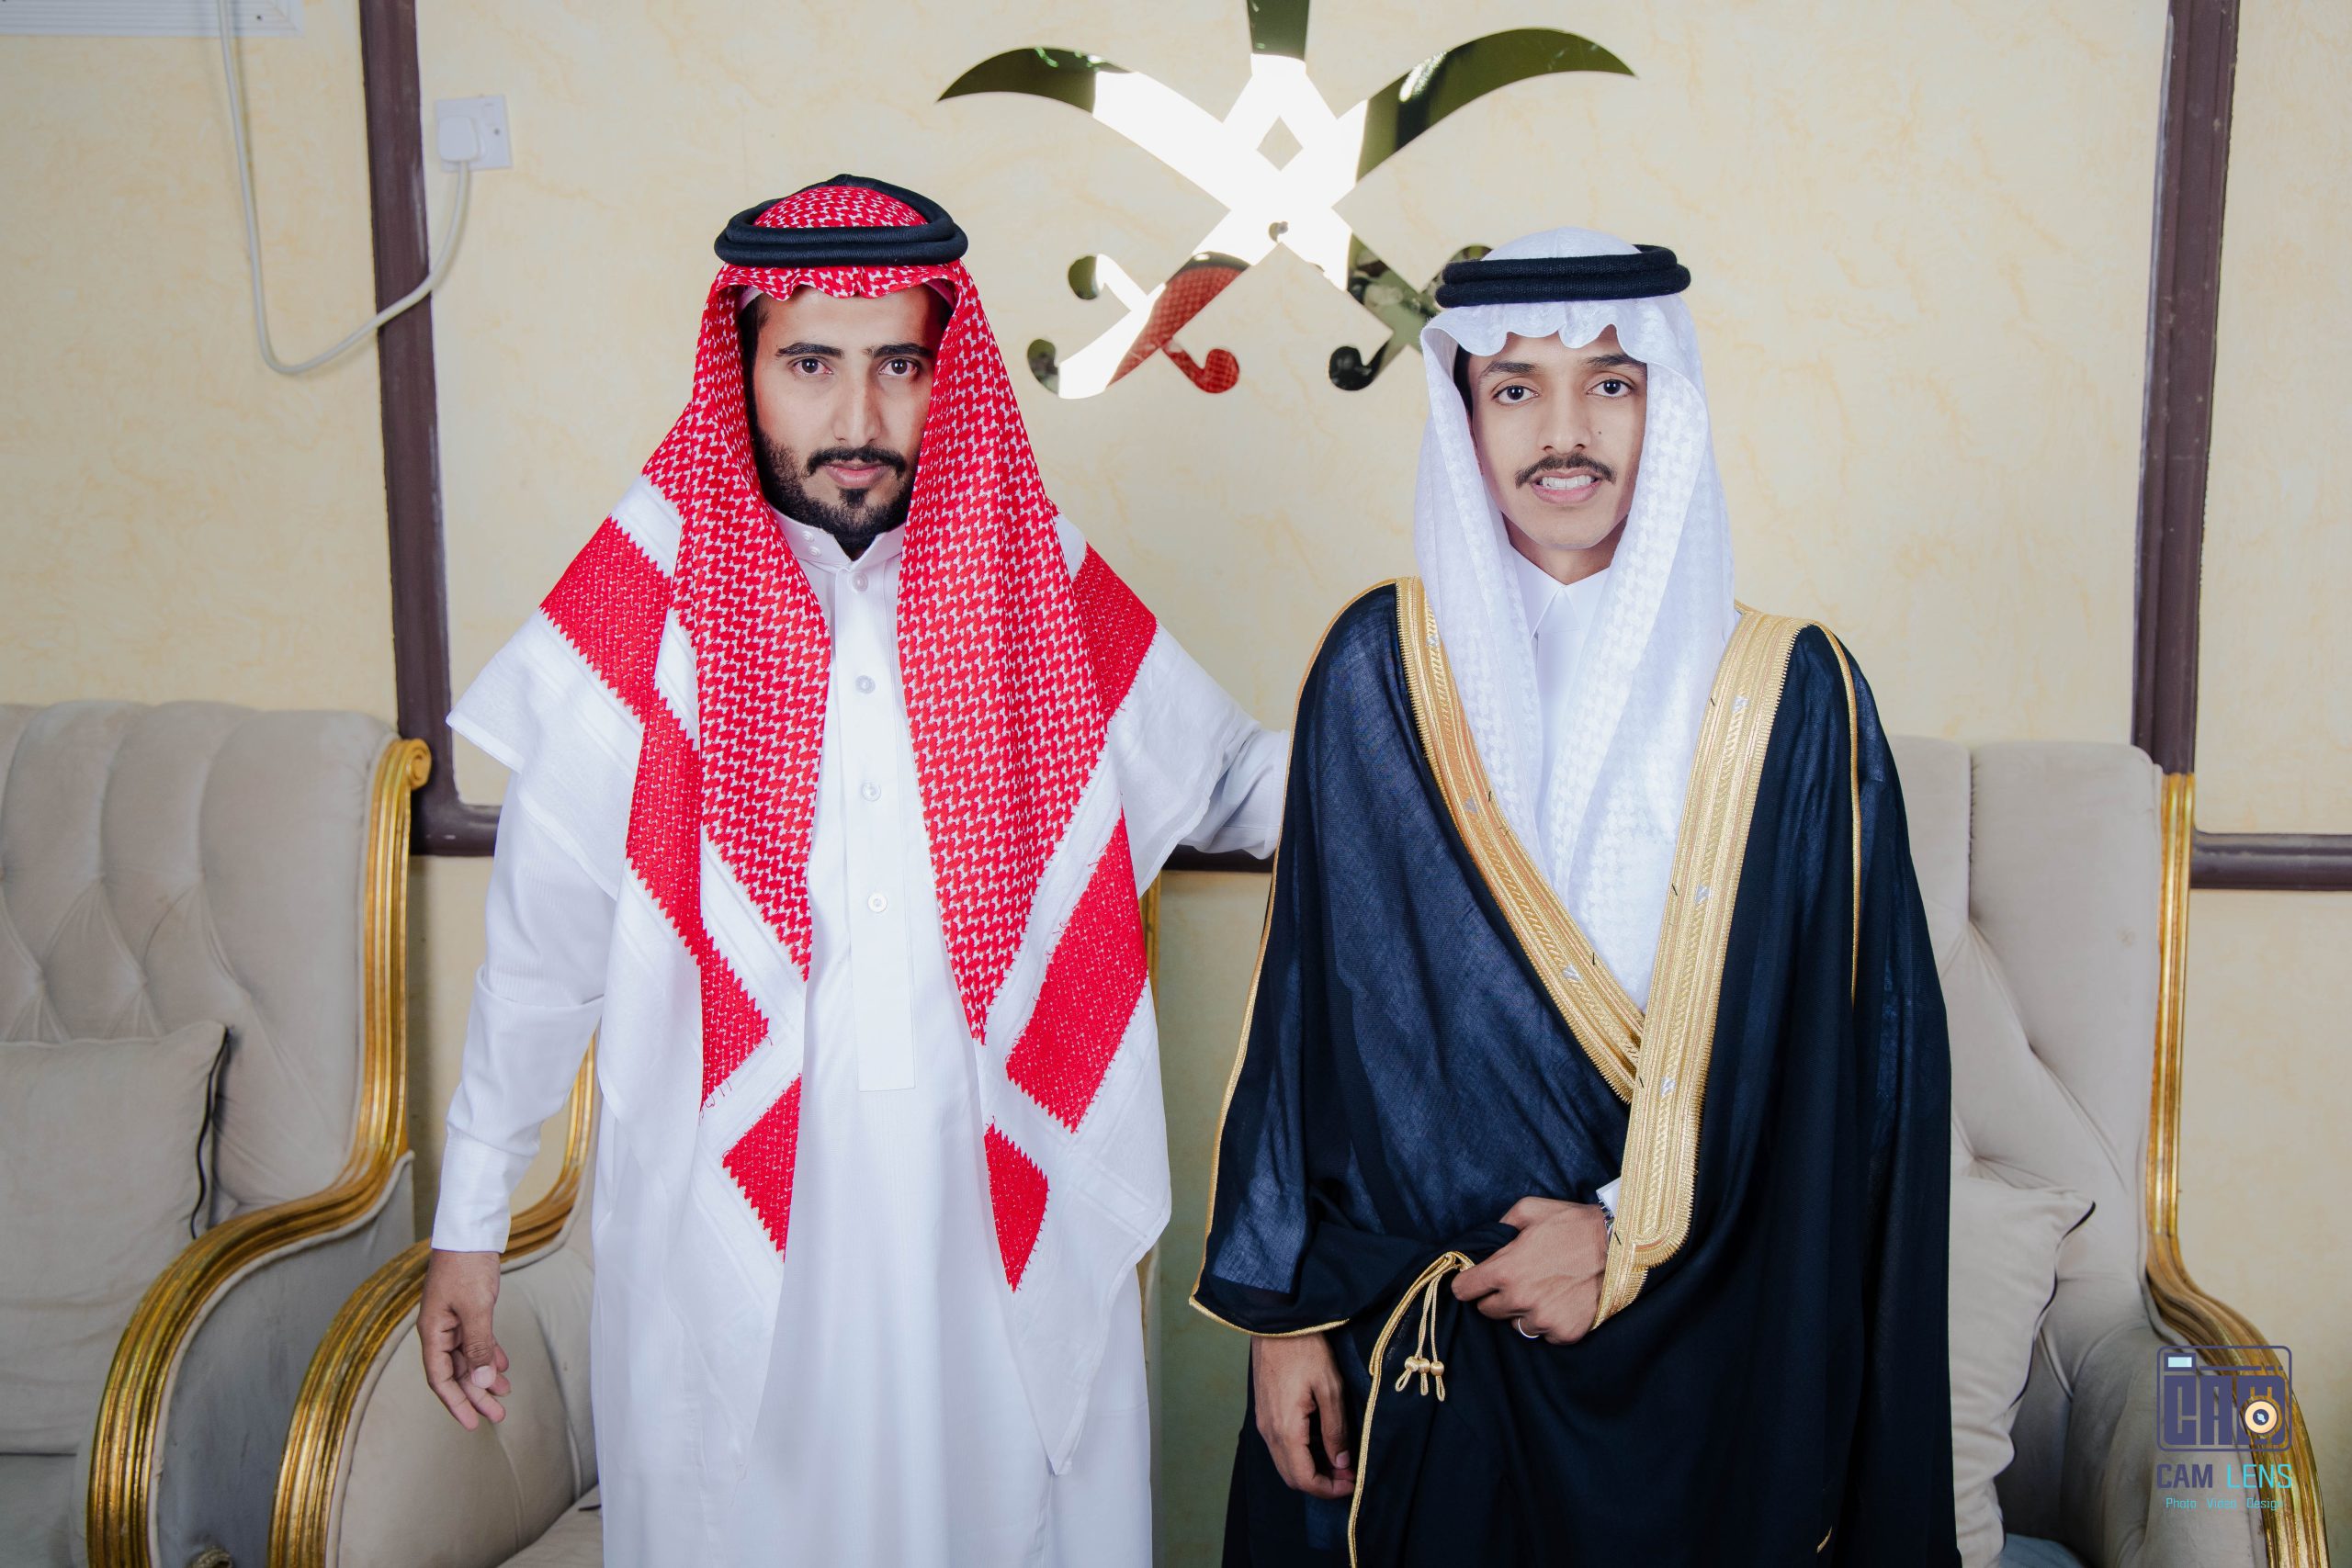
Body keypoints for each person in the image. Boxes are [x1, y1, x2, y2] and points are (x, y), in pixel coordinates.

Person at [418, 175, 1285, 1565]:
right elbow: (535, 960)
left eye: (900, 366)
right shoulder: (641, 607)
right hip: (726, 1233)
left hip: (986, 1226)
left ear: (948, 374)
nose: (860, 419)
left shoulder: (1030, 582)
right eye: (812, 365)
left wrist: (1422, 752)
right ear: (744, 364)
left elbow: (1240, 783)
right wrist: (468, 1223)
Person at [1194, 228, 1957, 1565]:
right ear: (1465, 418)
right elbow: (1304, 1022)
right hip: (1421, 1337)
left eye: (1611, 384)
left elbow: (1844, 1078)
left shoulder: (1795, 697)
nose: (1566, 433)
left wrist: (1624, 1229)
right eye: (1516, 388)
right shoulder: (1378, 670)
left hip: (1697, 1339)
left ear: (1668, 405)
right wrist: (1286, 1314)